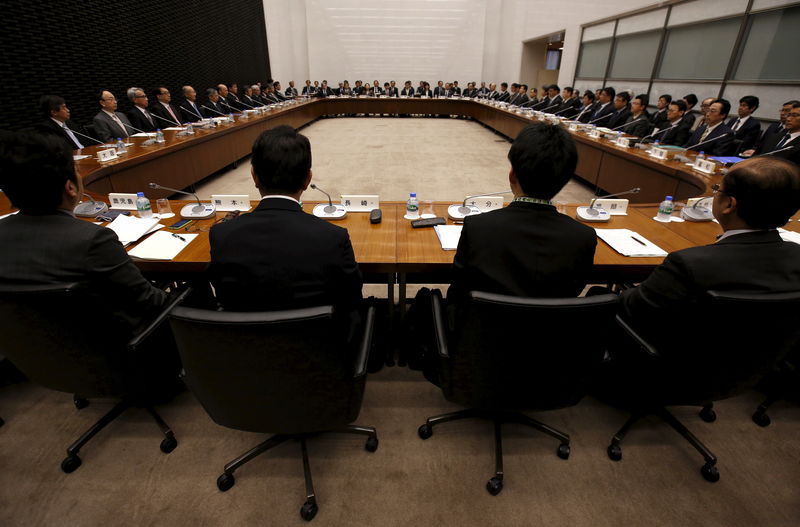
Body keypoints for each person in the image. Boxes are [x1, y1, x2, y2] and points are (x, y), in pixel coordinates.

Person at [413, 122, 597, 382]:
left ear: (512, 174)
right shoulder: (584, 237)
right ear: (566, 179)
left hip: (479, 352)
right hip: (547, 357)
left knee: (429, 299)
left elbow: (458, 289)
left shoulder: (479, 227)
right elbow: (574, 289)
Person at [618, 156, 800, 351]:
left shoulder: (688, 264)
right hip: (756, 368)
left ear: (729, 205)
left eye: (717, 189)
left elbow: (634, 309)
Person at [0, 130, 166, 330]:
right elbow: (149, 301)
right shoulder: (93, 240)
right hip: (122, 347)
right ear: (70, 188)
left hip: (34, 352)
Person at [207, 125, 363, 313]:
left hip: (241, 339)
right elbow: (352, 296)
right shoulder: (333, 237)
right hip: (316, 339)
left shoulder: (222, 234)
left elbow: (220, 289)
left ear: (254, 177)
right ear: (307, 179)